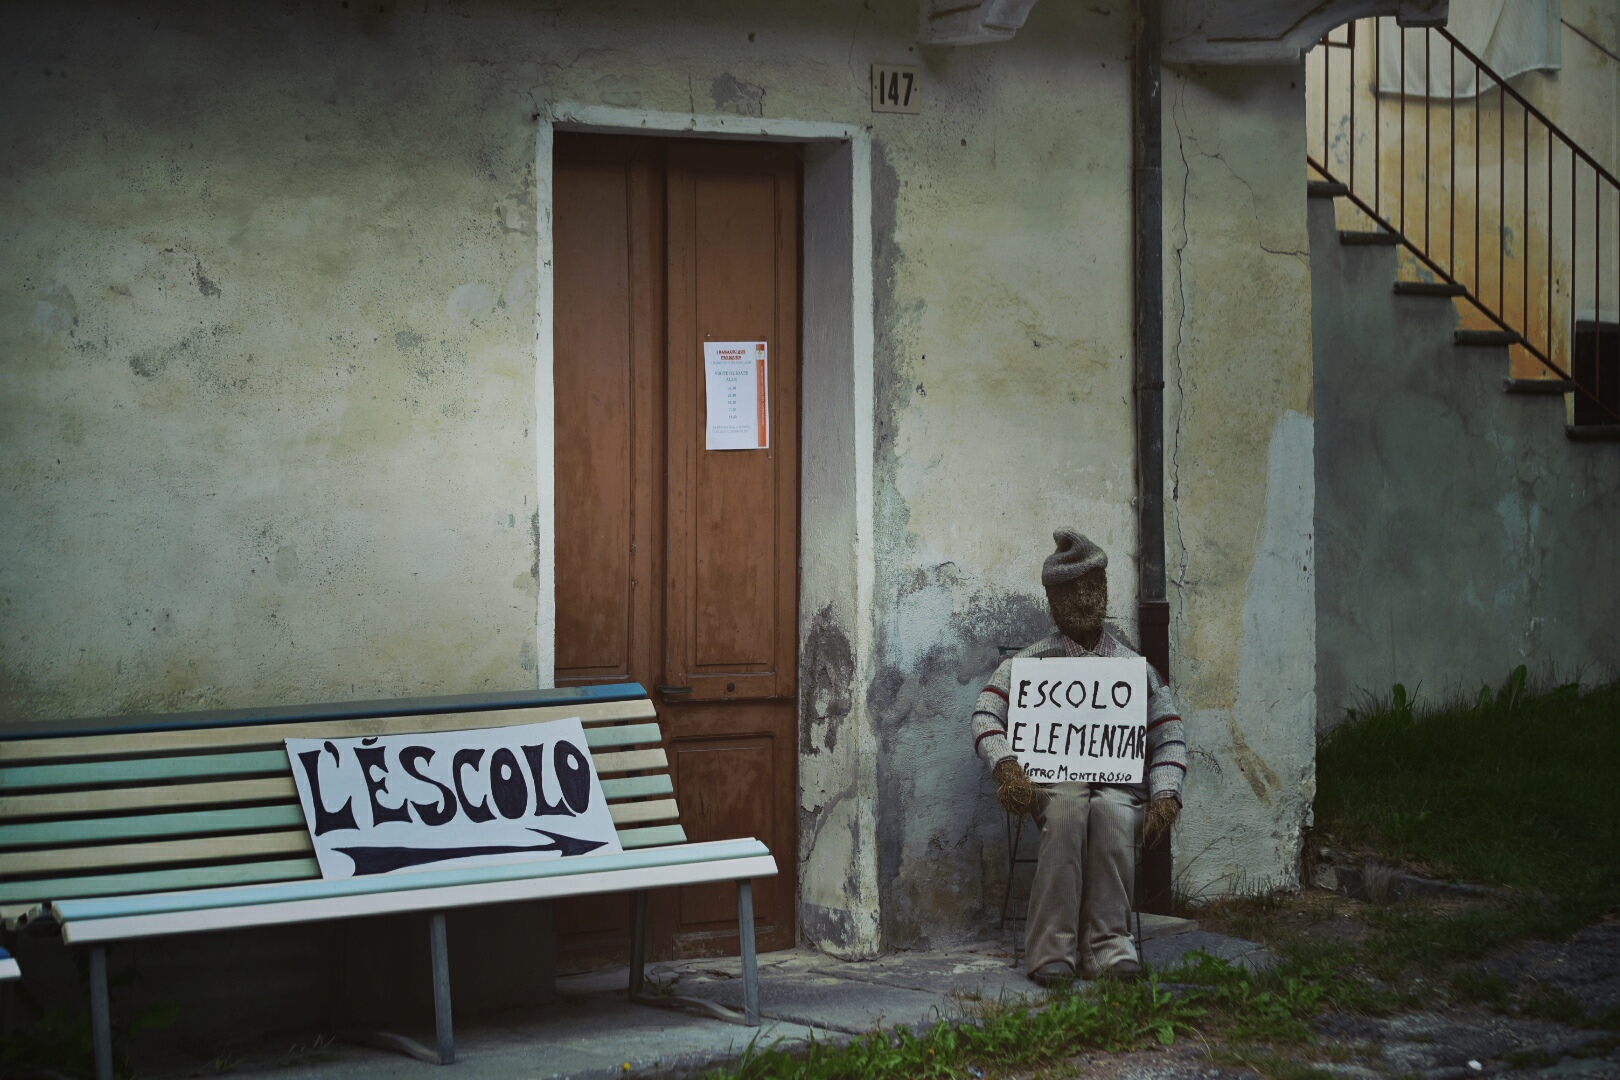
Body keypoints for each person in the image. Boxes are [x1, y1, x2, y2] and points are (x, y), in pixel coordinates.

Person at [971, 529, 1188, 985]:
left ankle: (1108, 945)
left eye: (1094, 587)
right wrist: (1007, 765)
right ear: (1052, 599)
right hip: (1054, 781)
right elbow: (987, 712)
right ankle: (1053, 949)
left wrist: (1166, 792)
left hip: (1119, 784)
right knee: (1068, 811)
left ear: (1106, 590)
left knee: (1111, 813)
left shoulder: (1133, 669)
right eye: (1072, 591)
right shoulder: (1029, 665)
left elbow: (1168, 733)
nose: (1086, 599)